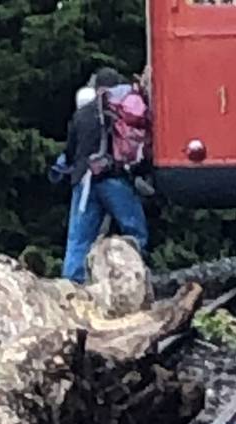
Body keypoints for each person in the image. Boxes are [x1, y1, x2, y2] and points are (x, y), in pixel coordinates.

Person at [60, 67, 150, 283]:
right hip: (115, 179)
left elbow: (71, 151)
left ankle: (72, 284)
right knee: (135, 231)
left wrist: (66, 166)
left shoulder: (82, 114)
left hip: (85, 182)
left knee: (79, 238)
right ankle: (136, 278)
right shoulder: (122, 111)